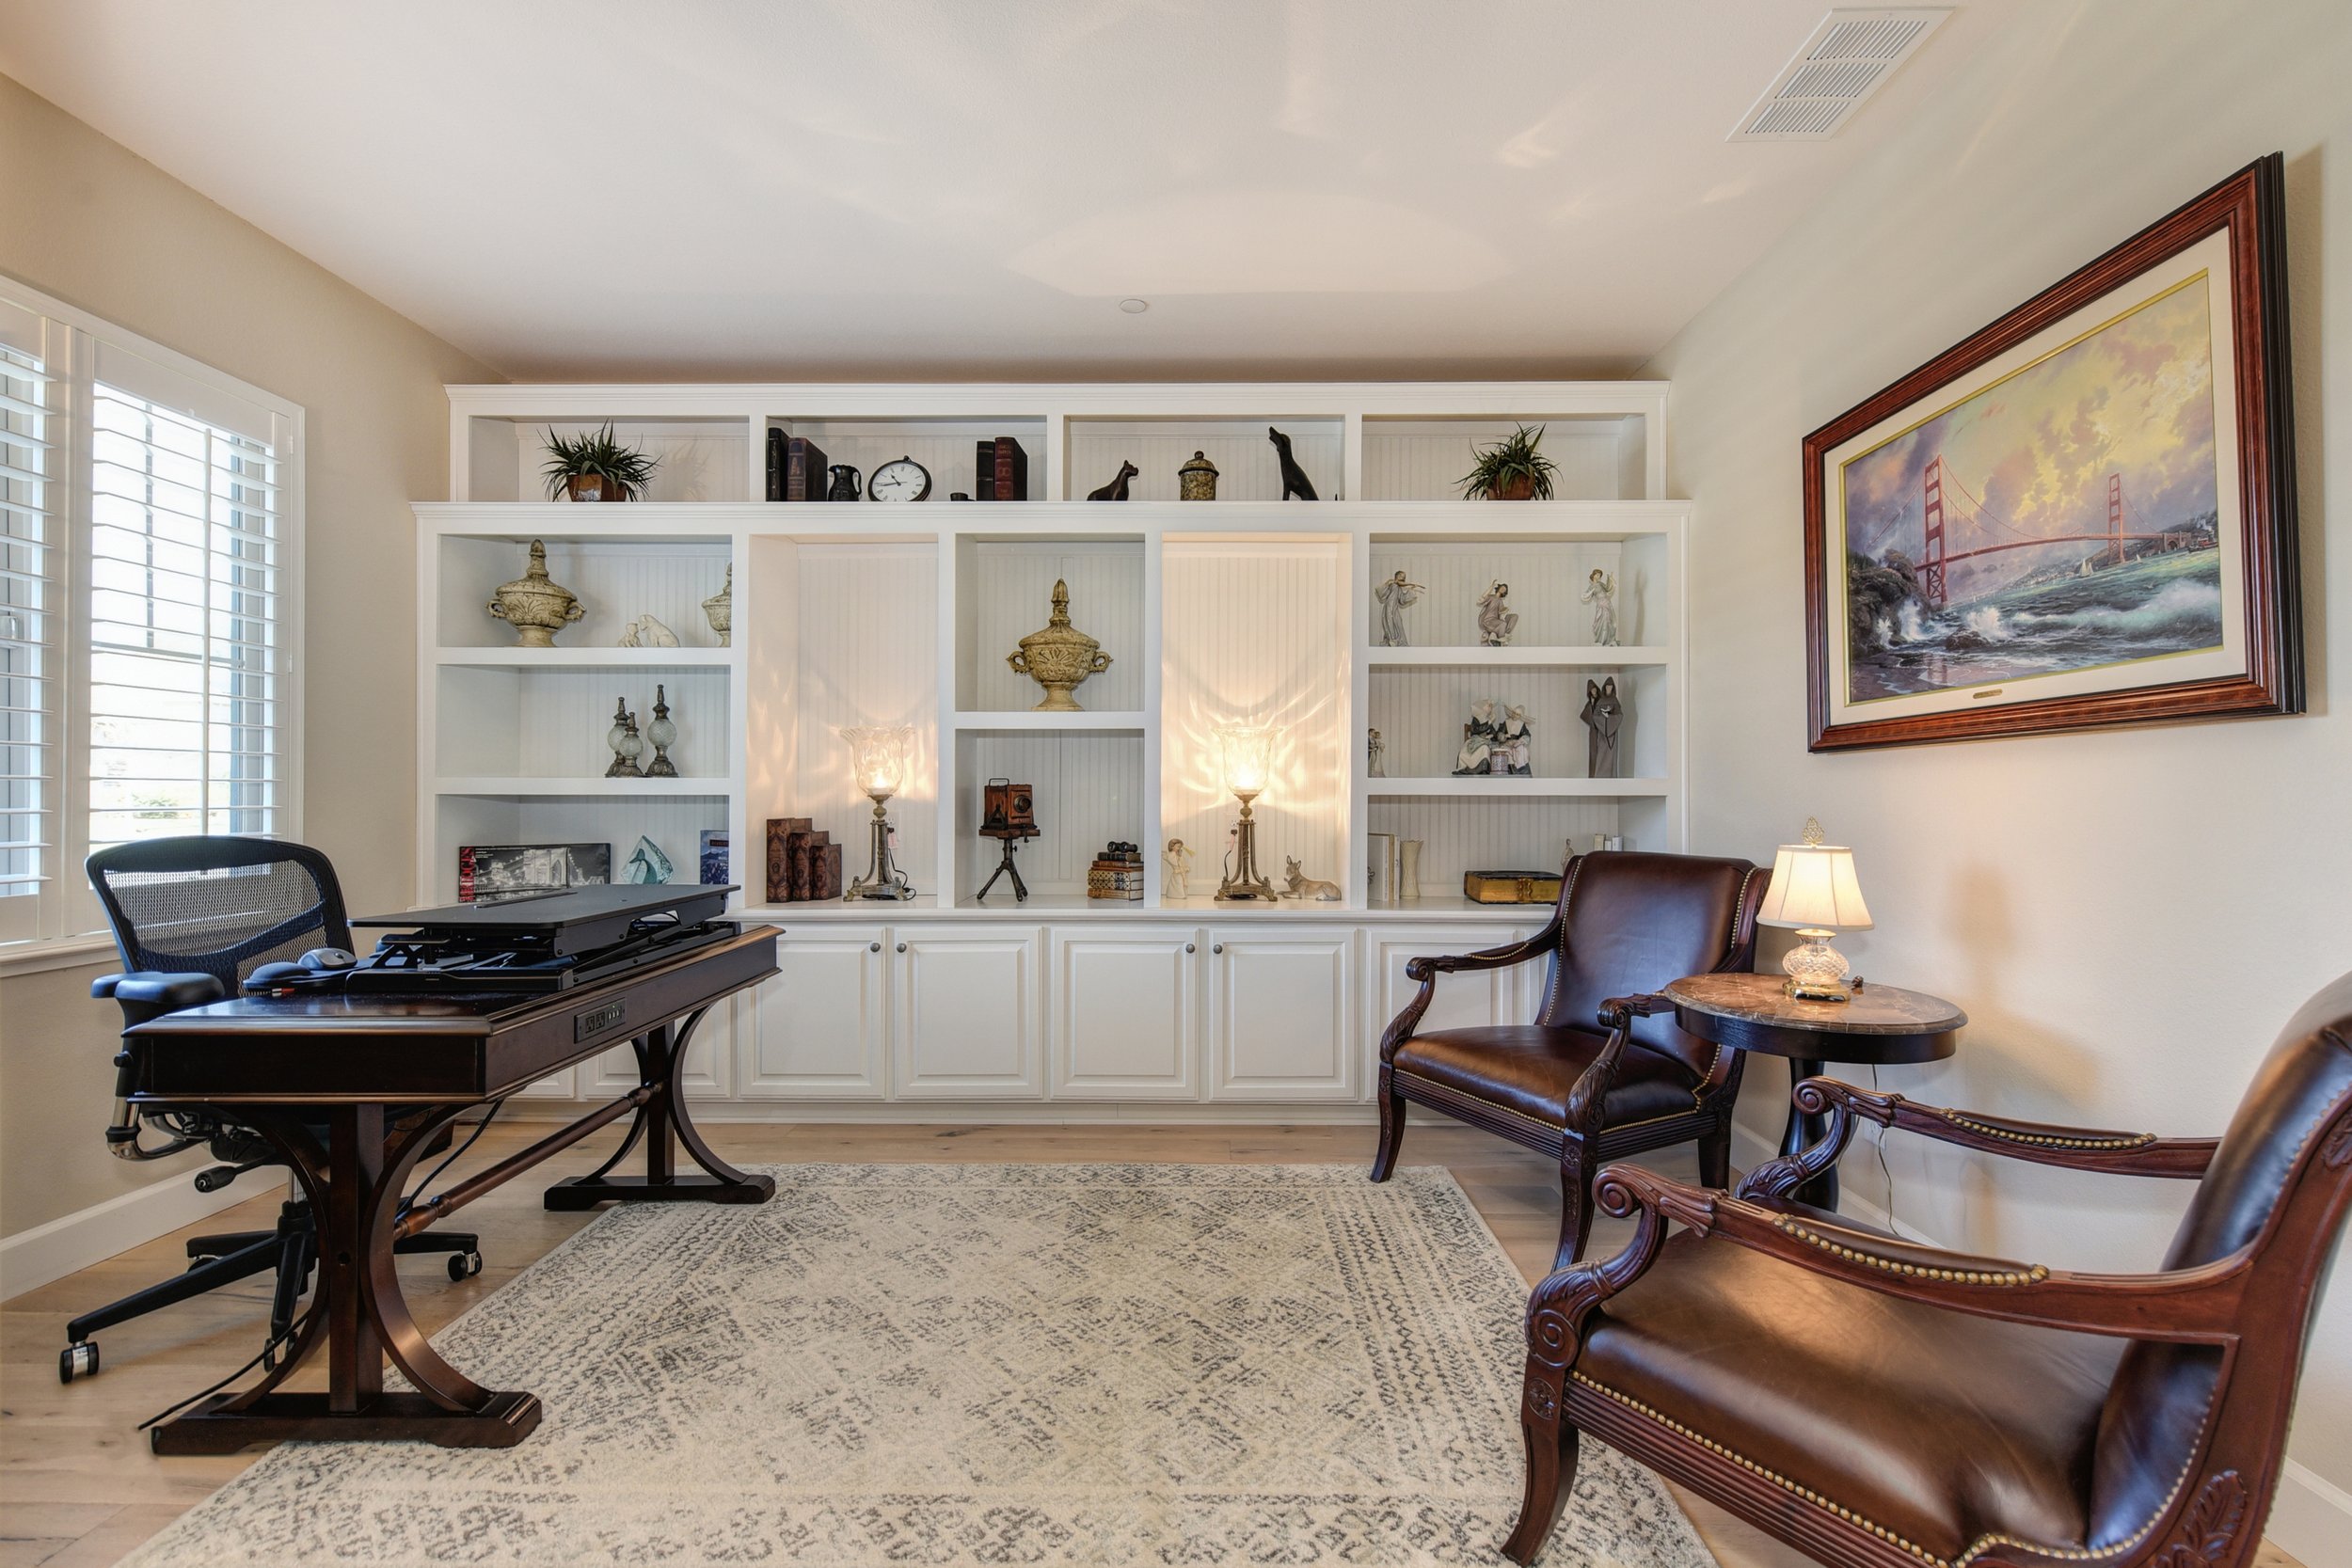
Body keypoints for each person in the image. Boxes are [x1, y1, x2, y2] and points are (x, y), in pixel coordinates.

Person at [1375, 570, 1423, 647]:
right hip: (1389, 606)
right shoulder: (1392, 583)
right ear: (1396, 576)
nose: (1403, 578)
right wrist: (1411, 584)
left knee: (1398, 622)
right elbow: (1395, 584)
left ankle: (1398, 640)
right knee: (1390, 622)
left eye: (1404, 577)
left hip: (1395, 608)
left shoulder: (1399, 588)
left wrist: (1411, 590)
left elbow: (1402, 600)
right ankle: (1392, 640)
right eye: (1401, 575)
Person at [1581, 568, 1619, 647]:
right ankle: (1601, 640)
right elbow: (1586, 595)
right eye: (1597, 575)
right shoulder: (1591, 587)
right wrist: (1590, 592)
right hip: (1601, 605)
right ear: (1593, 575)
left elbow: (1608, 588)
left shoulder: (1601, 584)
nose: (1599, 576)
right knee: (1601, 621)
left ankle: (1609, 640)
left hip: (1607, 603)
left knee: (1610, 621)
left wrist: (1610, 579)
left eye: (1600, 575)